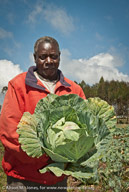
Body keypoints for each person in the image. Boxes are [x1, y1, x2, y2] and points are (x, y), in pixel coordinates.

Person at [0, 36, 86, 192]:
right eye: (43, 56)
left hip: (58, 180)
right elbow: (9, 132)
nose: (49, 61)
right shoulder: (18, 86)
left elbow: (88, 129)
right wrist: (48, 157)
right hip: (23, 179)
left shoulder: (74, 90)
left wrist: (64, 161)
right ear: (35, 58)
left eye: (54, 56)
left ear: (59, 56)